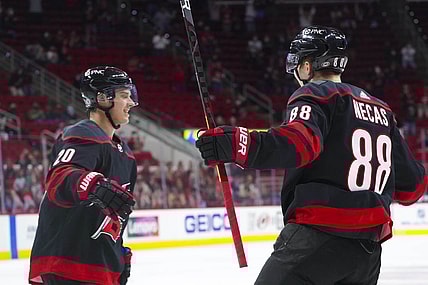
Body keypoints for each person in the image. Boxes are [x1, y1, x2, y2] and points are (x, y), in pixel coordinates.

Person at [195, 26, 427, 285]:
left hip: (318, 236)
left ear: (307, 67)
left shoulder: (315, 94)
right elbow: (413, 187)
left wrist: (236, 143)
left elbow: (301, 143)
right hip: (367, 253)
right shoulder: (382, 111)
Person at [29, 66, 139, 285]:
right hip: (69, 267)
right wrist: (92, 183)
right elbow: (60, 178)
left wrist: (118, 256)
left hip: (101, 267)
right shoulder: (82, 133)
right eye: (125, 96)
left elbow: (118, 214)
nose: (132, 103)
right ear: (103, 98)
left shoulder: (126, 154)